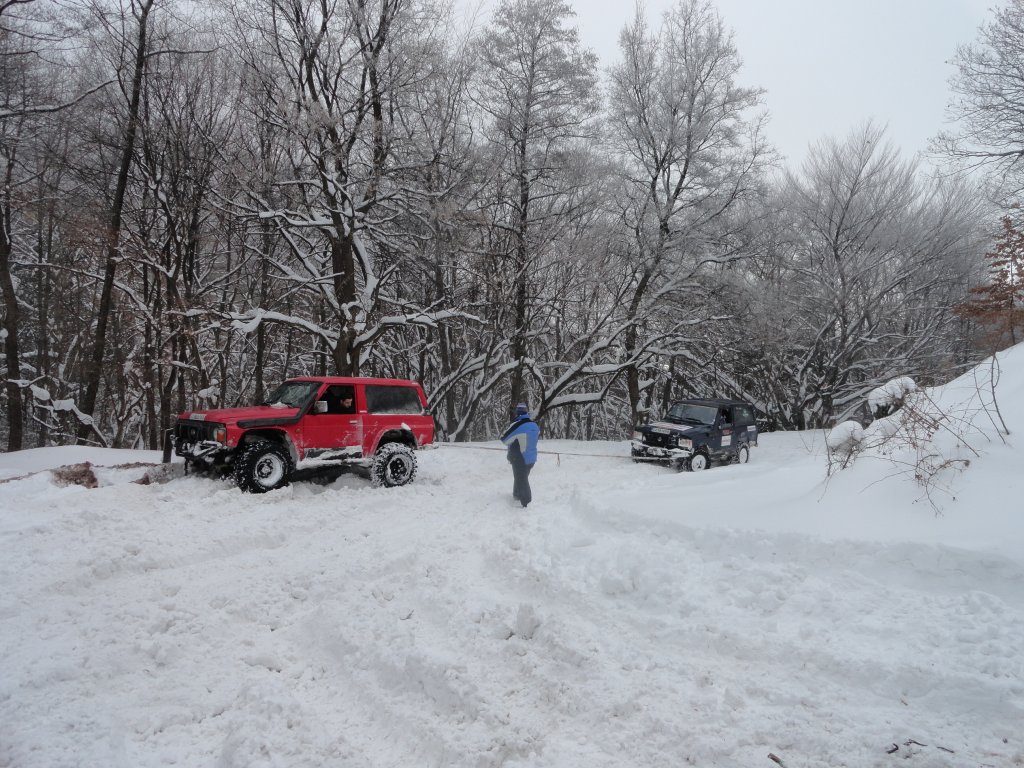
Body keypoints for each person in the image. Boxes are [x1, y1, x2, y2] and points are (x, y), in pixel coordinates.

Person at [501, 402, 540, 508]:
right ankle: (516, 496)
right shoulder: (534, 425)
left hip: (520, 458)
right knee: (520, 477)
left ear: (517, 413)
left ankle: (526, 502)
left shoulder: (518, 425)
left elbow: (504, 439)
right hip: (531, 457)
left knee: (522, 479)